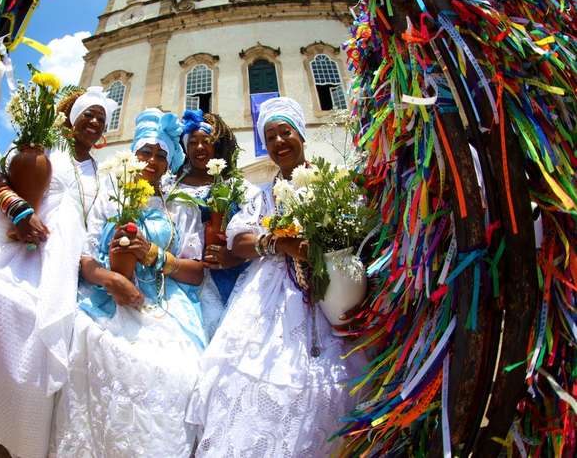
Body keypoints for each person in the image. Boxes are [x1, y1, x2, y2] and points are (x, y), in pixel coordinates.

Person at [187, 97, 366, 457]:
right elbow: (239, 242)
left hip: (326, 293)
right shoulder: (262, 195)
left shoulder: (333, 185)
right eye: (270, 137)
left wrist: (320, 248)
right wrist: (279, 244)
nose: (279, 142)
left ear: (300, 133)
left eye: (285, 132)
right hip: (266, 299)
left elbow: (354, 234)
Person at [0, 87, 117, 458]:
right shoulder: (47, 145)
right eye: (89, 114)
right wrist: (19, 210)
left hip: (66, 258)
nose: (95, 122)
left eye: (101, 118)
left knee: (46, 337)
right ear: (72, 118)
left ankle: (20, 436)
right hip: (24, 242)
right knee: (1, 300)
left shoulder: (101, 174)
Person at [51, 109, 206, 457]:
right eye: (146, 152)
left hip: (165, 302)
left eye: (161, 155)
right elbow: (86, 256)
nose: (152, 161)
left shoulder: (181, 208)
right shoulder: (108, 195)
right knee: (90, 345)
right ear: (133, 154)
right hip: (106, 298)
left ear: (169, 165)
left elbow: (196, 271)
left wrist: (154, 256)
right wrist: (111, 280)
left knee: (179, 372)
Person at [165, 109, 249, 339]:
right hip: (175, 273)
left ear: (216, 147)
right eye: (193, 142)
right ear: (185, 147)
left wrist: (233, 255)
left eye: (207, 142)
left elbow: (250, 229)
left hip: (219, 278)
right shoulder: (169, 186)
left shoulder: (234, 186)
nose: (200, 147)